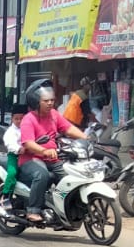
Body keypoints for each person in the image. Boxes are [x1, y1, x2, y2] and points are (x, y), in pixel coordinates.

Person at [18, 83, 85, 223]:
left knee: (70, 178)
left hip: (53, 159)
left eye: (52, 100)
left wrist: (86, 138)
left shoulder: (54, 115)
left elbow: (68, 128)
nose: (50, 103)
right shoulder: (28, 119)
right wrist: (44, 151)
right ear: (36, 102)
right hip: (31, 159)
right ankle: (33, 210)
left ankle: (66, 209)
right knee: (41, 175)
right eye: (46, 101)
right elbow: (28, 143)